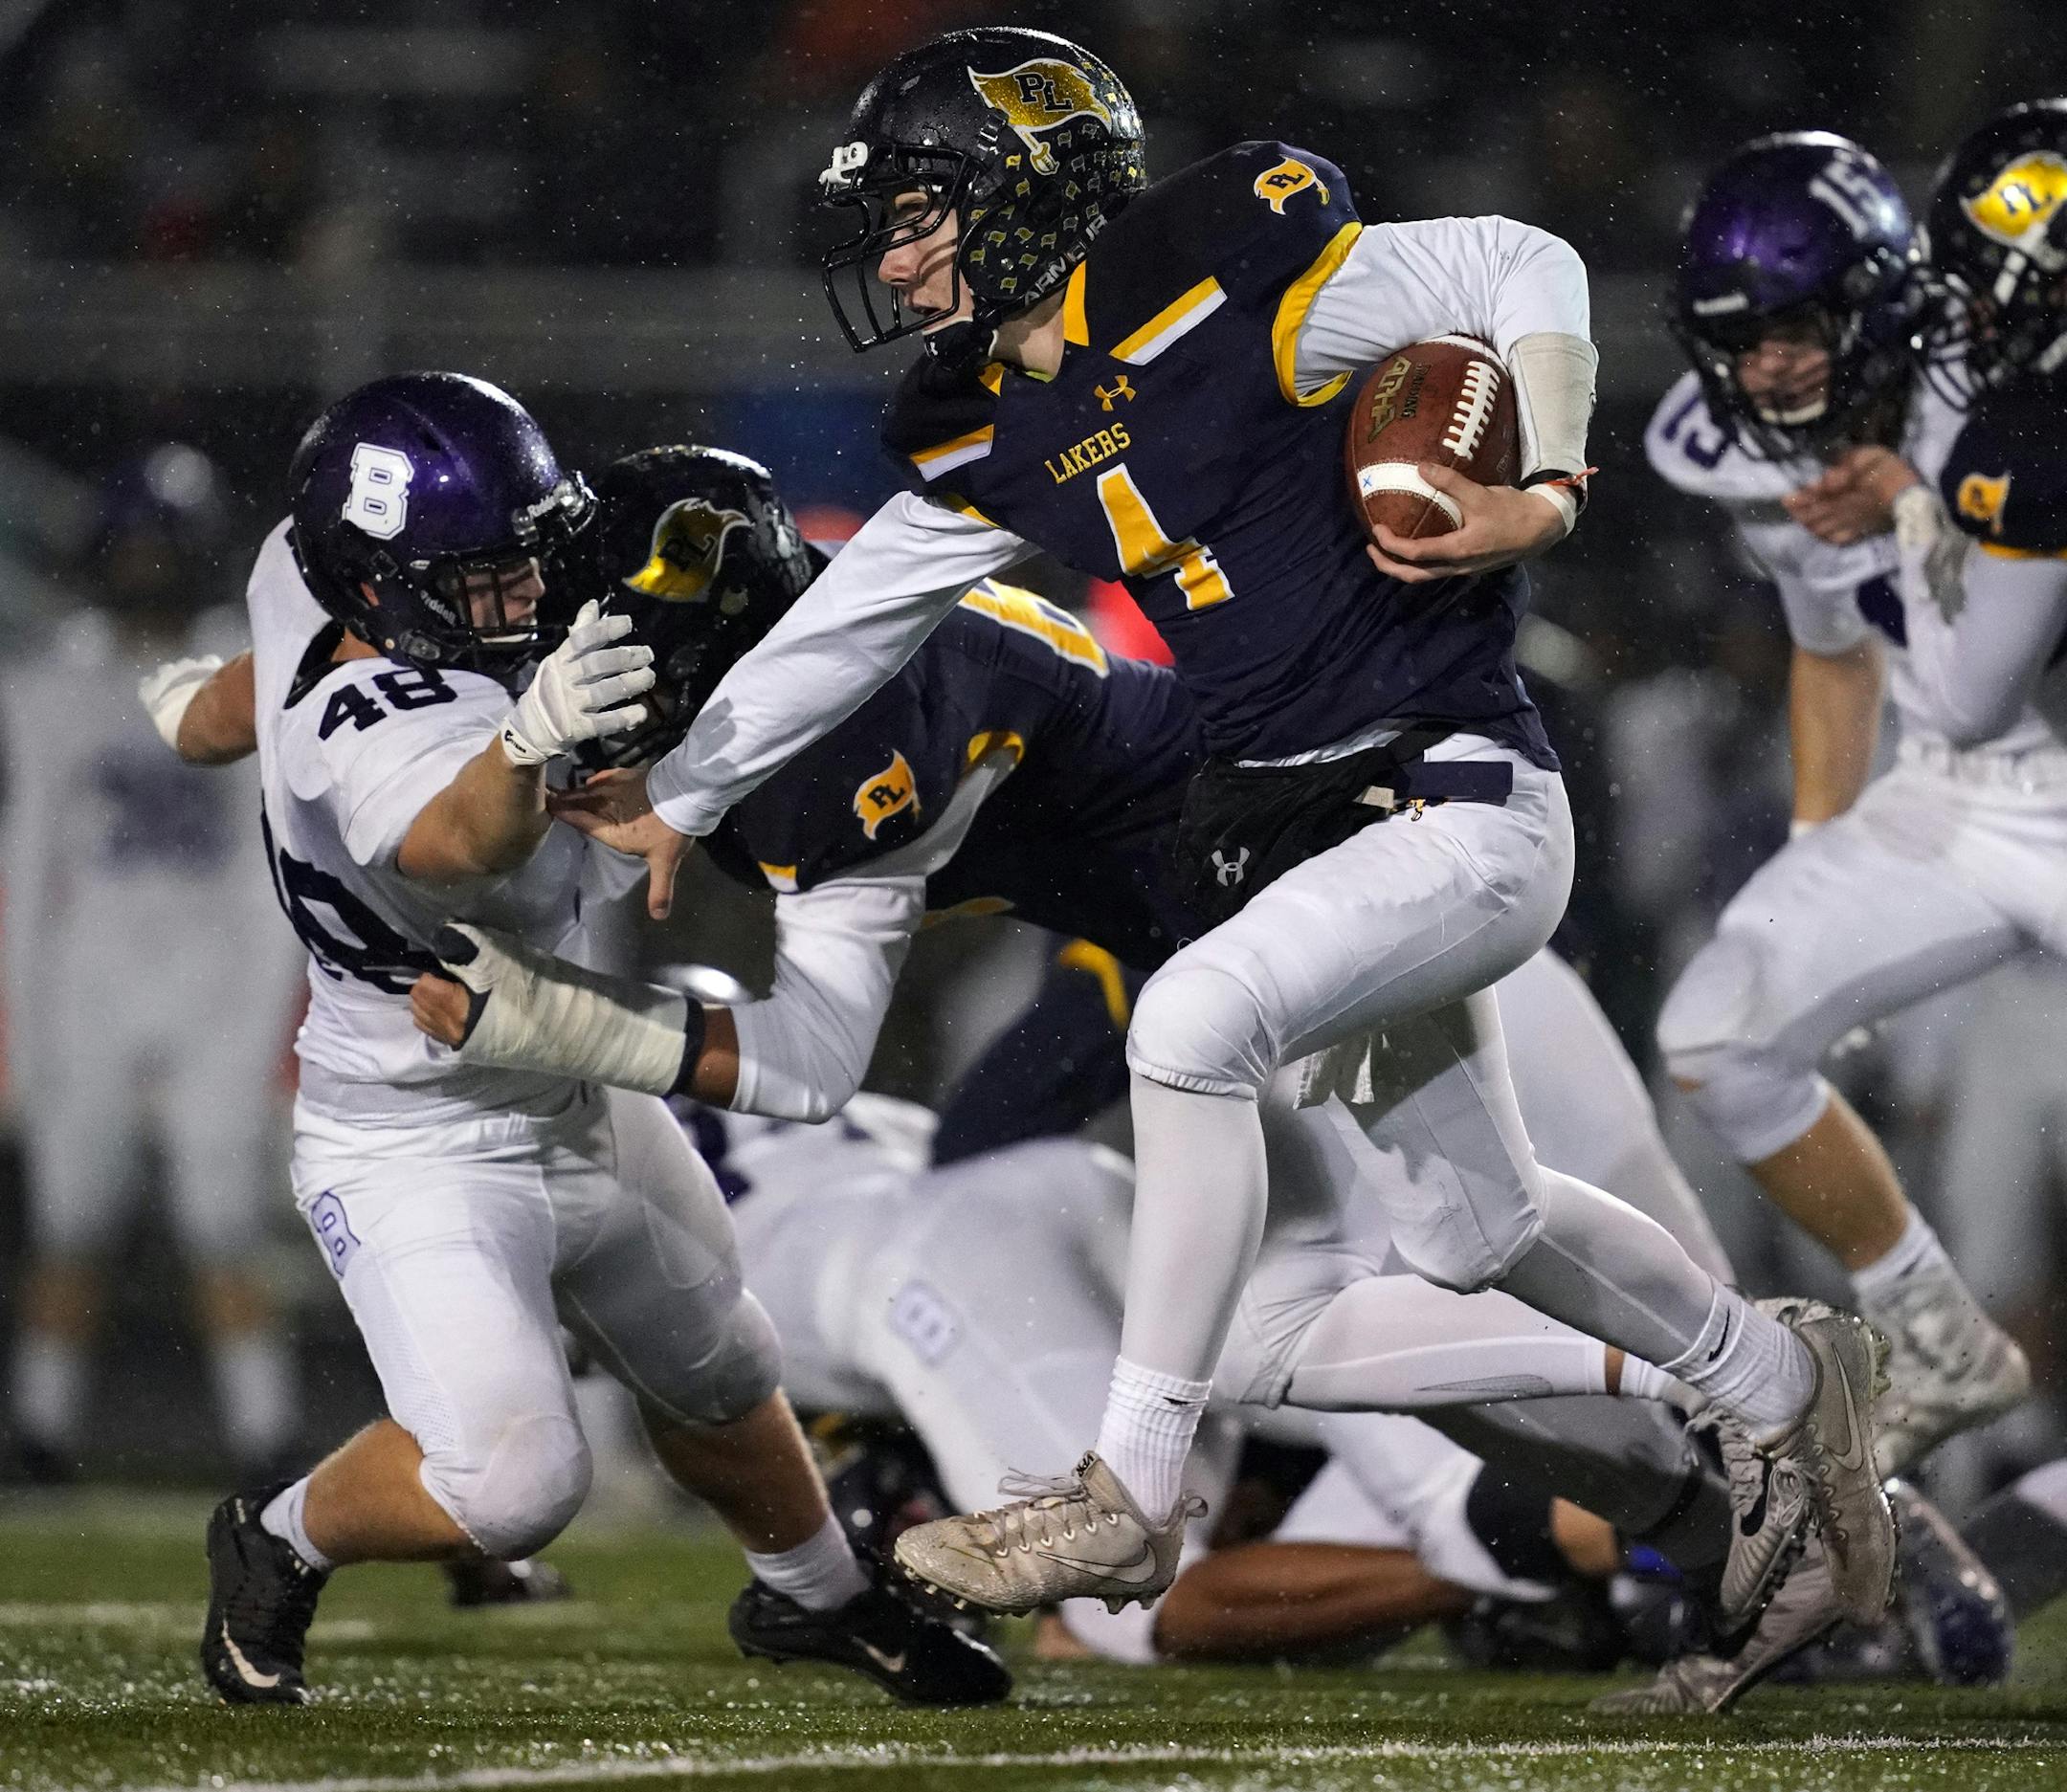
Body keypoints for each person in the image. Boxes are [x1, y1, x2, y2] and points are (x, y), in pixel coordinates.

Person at [513, 26, 1895, 1627]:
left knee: (1185, 1024)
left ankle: (1127, 1497)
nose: (892, 261)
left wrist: (1548, 485)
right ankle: (1781, 1377)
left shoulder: (1227, 273)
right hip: (1301, 840)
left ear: (1028, 193)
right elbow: (854, 614)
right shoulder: (981, 417)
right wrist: (680, 797)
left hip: (1453, 792)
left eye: (919, 216)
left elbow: (1522, 262)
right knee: (1470, 1229)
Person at [145, 371, 1006, 1710]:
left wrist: (196, 718)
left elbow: (254, 683)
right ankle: (278, 1533)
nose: (524, 595)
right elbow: (454, 842)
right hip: (414, 1139)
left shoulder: (306, 572)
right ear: (379, 583)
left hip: (568, 1084)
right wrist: (527, 740)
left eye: (524, 557)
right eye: (482, 580)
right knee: (516, 1483)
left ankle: (820, 1596)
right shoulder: (367, 729)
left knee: (722, 1362)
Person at [1648, 129, 2044, 1474]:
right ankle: (1937, 1333)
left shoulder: (2000, 383)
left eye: (1794, 330)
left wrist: (1921, 506)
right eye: (1738, 340)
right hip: (1956, 796)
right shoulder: (1746, 449)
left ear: (1878, 304)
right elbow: (1832, 653)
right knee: (1719, 1031)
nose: (1766, 368)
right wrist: (1819, 865)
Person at [2, 446, 302, 1485]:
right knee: (70, 1221)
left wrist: (264, 1019)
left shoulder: (247, 671)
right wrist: (22, 1017)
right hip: (88, 983)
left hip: (214, 988)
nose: (145, 569)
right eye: (131, 550)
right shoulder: (53, 681)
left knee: (223, 1223)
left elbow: (270, 868)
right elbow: (27, 856)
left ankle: (267, 1437)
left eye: (160, 549)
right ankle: (41, 1433)